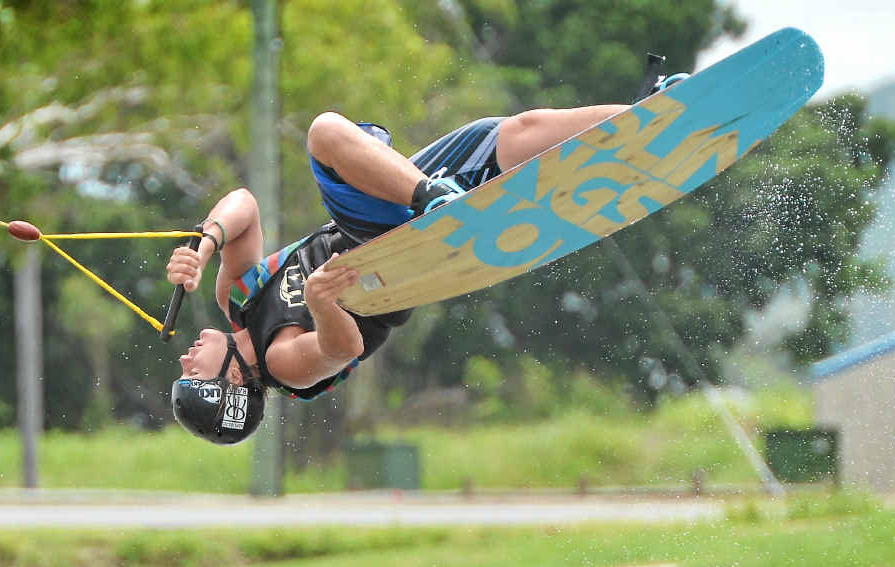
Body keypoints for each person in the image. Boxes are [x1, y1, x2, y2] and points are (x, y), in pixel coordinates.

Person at [167, 86, 687, 444]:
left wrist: (205, 243)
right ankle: (434, 198)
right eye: (194, 375)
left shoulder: (237, 296)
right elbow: (341, 349)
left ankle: (647, 113)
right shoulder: (282, 365)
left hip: (394, 214)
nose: (186, 361)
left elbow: (243, 205)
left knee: (510, 134)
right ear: (231, 381)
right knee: (324, 133)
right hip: (389, 257)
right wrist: (323, 306)